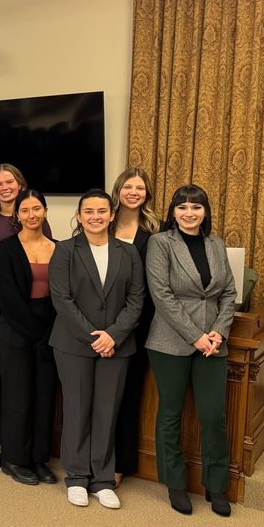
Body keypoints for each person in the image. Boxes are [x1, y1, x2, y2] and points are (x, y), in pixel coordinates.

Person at [48, 189, 144, 510]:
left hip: (117, 347)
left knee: (106, 412)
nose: (95, 217)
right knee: (77, 410)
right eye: (88, 211)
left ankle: (102, 479)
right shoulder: (65, 251)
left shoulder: (128, 252)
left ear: (112, 215)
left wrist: (113, 336)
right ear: (79, 216)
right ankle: (76, 476)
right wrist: (94, 337)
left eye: (102, 211)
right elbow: (62, 300)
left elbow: (136, 300)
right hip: (73, 345)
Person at [146, 184, 236, 517]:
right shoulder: (160, 243)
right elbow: (161, 295)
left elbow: (228, 293)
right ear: (172, 212)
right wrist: (194, 335)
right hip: (170, 341)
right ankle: (175, 483)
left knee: (213, 416)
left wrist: (218, 331)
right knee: (171, 413)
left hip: (213, 343)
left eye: (196, 207)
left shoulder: (216, 244)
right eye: (182, 207)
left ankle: (216, 486)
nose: (189, 213)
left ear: (205, 212)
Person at [0, 164, 52, 456]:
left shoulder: (33, 218)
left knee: (18, 379)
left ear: (19, 184)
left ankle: (17, 437)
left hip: (19, 305)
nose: (4, 187)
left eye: (9, 181)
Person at [0, 190, 58, 485]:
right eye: (25, 210)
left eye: (37, 209)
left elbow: (62, 296)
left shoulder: (58, 247)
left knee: (44, 397)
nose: (32, 215)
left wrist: (49, 334)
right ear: (17, 215)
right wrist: (35, 333)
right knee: (17, 397)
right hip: (16, 330)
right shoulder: (6, 248)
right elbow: (7, 298)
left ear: (45, 210)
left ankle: (39, 458)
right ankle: (14, 459)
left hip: (50, 331)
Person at [110, 167, 162, 486]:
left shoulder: (157, 231)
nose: (133, 192)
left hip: (139, 325)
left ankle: (120, 463)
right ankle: (92, 457)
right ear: (118, 190)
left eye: (139, 188)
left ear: (147, 193)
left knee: (127, 397)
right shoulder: (103, 221)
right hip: (100, 325)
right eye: (128, 186)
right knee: (99, 397)